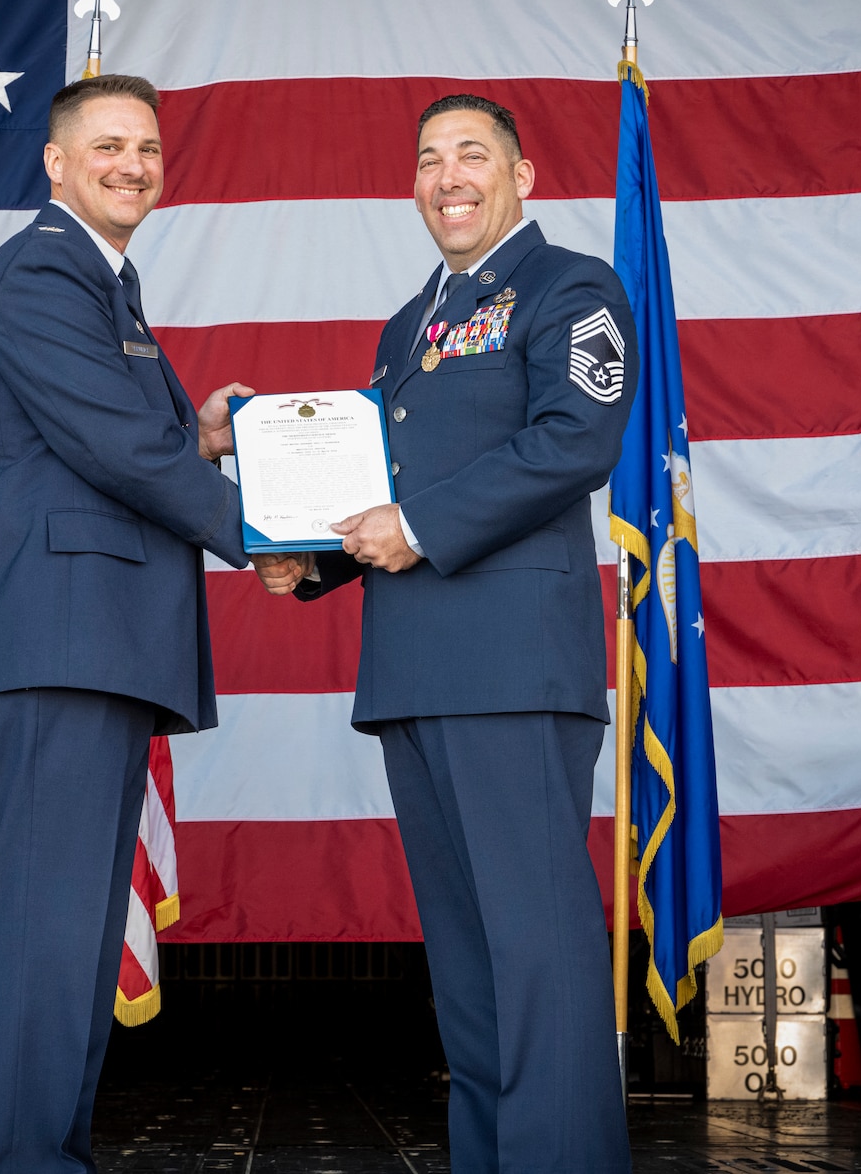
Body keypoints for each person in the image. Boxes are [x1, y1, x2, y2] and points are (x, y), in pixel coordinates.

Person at [256, 95, 636, 1172]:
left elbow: (576, 437)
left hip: (513, 666)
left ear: (523, 173)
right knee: (468, 966)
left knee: (536, 948)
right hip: (415, 670)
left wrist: (413, 527)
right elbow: (386, 483)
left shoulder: (571, 287)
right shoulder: (407, 323)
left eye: (472, 153)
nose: (447, 174)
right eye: (428, 159)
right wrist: (311, 562)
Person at [0, 73, 260, 1174]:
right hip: (55, 646)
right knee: (44, 933)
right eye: (108, 144)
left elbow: (124, 438)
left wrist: (200, 436)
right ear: (56, 163)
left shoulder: (104, 286)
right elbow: (117, 450)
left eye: (149, 147)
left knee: (69, 939)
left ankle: (44, 1158)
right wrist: (263, 536)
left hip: (92, 647)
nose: (132, 163)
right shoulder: (38, 272)